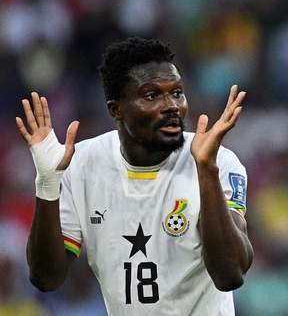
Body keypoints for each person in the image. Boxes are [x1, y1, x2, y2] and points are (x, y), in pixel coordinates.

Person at [15, 38, 253, 315]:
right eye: (151, 96)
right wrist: (47, 183)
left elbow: (230, 275)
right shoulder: (79, 164)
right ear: (115, 109)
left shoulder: (218, 161)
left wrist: (207, 171)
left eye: (177, 93)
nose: (172, 106)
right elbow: (46, 278)